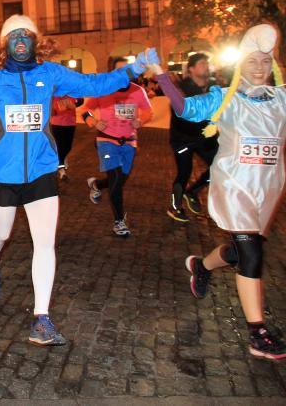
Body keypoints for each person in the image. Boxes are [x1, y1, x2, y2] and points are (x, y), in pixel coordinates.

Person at [0, 15, 156, 346]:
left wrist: (135, 68)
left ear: (36, 42)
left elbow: (94, 84)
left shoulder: (50, 73)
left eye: (27, 35)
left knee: (45, 243)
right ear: (4, 43)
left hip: (41, 171)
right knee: (1, 233)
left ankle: (42, 319)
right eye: (14, 35)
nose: (21, 40)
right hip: (1, 176)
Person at [154, 24, 286, 361]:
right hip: (235, 187)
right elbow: (184, 108)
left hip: (268, 190)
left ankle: (201, 265)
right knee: (253, 255)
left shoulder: (282, 99)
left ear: (272, 64)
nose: (258, 66)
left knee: (244, 253)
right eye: (252, 60)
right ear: (241, 64)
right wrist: (162, 75)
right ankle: (258, 333)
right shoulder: (225, 98)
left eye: (264, 60)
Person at [83, 58, 153, 237]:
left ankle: (96, 184)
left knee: (121, 180)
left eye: (127, 70)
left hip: (129, 142)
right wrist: (93, 122)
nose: (124, 74)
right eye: (119, 70)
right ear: (113, 72)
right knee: (115, 178)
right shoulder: (103, 89)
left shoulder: (138, 91)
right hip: (106, 141)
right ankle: (119, 221)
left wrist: (141, 120)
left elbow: (148, 112)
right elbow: (86, 110)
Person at [167, 52, 219, 222]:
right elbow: (181, 113)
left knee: (220, 166)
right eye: (202, 63)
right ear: (191, 69)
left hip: (206, 138)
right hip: (183, 138)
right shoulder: (182, 89)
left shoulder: (214, 86)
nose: (206, 66)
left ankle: (193, 191)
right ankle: (175, 207)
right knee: (184, 172)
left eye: (207, 63)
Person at [50, 96, 82, 181]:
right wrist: (53, 110)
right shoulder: (54, 89)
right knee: (60, 146)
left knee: (68, 147)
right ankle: (61, 170)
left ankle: (62, 160)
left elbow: (80, 100)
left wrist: (74, 104)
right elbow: (47, 102)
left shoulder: (71, 87)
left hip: (70, 121)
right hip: (57, 122)